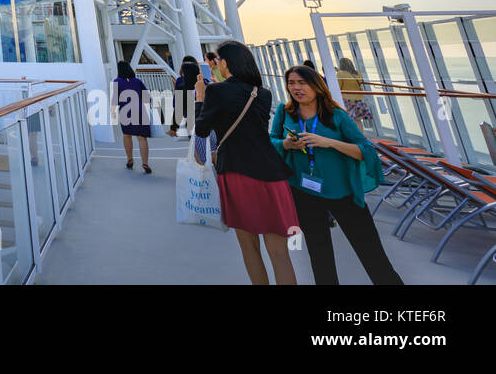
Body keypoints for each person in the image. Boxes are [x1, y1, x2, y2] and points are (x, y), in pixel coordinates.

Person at [272, 65, 403, 285]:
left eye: (302, 83)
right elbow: (272, 141)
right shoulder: (284, 112)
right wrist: (285, 144)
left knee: (371, 254)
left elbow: (366, 151)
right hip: (304, 191)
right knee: (319, 254)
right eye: (291, 83)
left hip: (342, 192)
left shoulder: (336, 116)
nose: (296, 88)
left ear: (316, 86)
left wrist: (328, 142)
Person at [195, 41, 298, 285]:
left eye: (218, 60)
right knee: (280, 254)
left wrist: (201, 97)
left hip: (238, 173)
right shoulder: (262, 93)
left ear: (225, 63)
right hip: (273, 176)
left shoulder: (216, 92)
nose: (216, 64)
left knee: (250, 249)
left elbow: (201, 129)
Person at [113, 61, 152, 173]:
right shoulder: (137, 81)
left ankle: (130, 159)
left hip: (125, 111)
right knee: (141, 137)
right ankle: (145, 163)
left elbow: (115, 99)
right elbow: (147, 98)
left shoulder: (117, 82)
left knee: (127, 135)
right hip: (140, 110)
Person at [335, 57, 373, 128]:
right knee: (358, 120)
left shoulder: (339, 74)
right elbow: (360, 82)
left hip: (347, 100)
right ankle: (360, 136)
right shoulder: (358, 73)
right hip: (359, 99)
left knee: (348, 120)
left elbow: (338, 87)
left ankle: (352, 137)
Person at [170, 56, 199, 137]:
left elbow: (178, 107)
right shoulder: (204, 82)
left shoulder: (180, 82)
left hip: (190, 118)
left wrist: (174, 127)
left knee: (195, 144)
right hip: (203, 120)